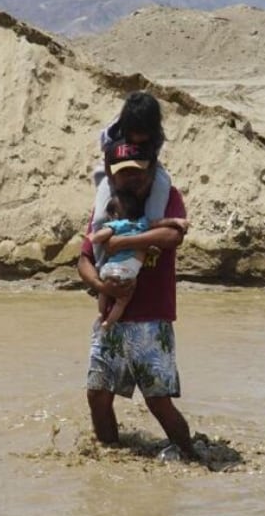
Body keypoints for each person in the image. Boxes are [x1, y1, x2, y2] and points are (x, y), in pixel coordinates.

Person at [77, 136, 197, 460]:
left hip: (153, 323)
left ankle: (190, 455)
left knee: (157, 400)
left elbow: (173, 235)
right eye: (123, 173)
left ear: (151, 170)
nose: (131, 179)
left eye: (138, 173)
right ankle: (109, 455)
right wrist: (103, 289)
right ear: (112, 173)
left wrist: (125, 242)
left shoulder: (167, 198)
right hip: (112, 322)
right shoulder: (108, 206)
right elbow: (84, 260)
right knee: (97, 395)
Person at [87, 188, 190, 329]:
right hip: (129, 272)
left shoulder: (116, 225)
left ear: (115, 215)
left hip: (109, 269)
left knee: (104, 292)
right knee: (122, 301)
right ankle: (109, 322)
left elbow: (174, 236)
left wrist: (100, 239)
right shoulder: (142, 224)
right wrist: (175, 220)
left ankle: (101, 314)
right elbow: (159, 223)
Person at [92, 90, 173, 225]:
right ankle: (97, 244)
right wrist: (116, 186)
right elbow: (107, 161)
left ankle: (151, 229)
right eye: (135, 133)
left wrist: (144, 186)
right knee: (99, 218)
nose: (138, 138)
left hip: (145, 165)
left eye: (143, 134)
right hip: (115, 166)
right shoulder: (112, 134)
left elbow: (152, 162)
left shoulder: (156, 138)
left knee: (162, 187)